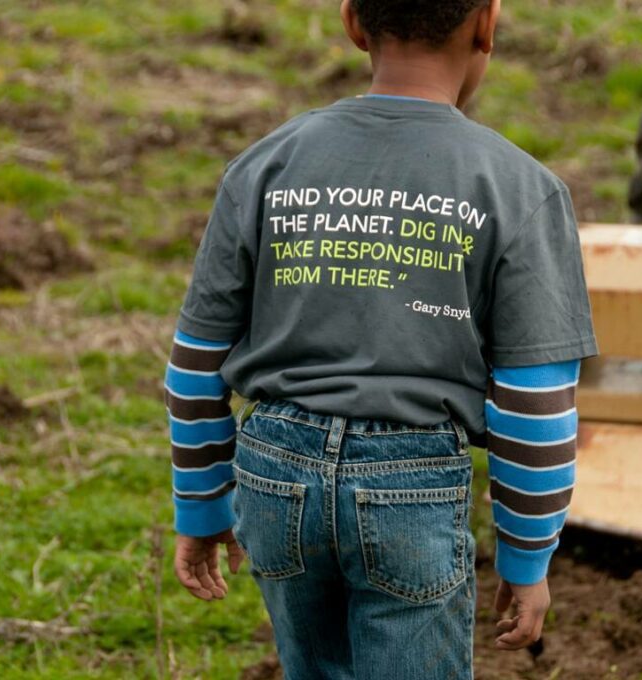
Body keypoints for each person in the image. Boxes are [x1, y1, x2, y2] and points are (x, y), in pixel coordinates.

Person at [164, 0, 598, 677]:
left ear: (352, 22)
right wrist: (526, 556)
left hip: (275, 480)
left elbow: (194, 368)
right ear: (488, 22)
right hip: (412, 490)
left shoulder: (265, 165)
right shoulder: (521, 188)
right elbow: (534, 403)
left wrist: (200, 504)